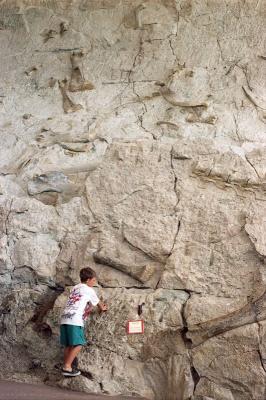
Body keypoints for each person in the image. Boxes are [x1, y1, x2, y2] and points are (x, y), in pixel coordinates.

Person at [60, 267, 107, 376]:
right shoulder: (89, 290)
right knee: (79, 344)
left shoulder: (75, 288)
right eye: (94, 280)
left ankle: (66, 366)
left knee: (68, 344)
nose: (95, 283)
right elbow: (99, 304)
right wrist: (103, 308)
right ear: (88, 280)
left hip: (65, 317)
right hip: (75, 319)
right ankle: (67, 367)